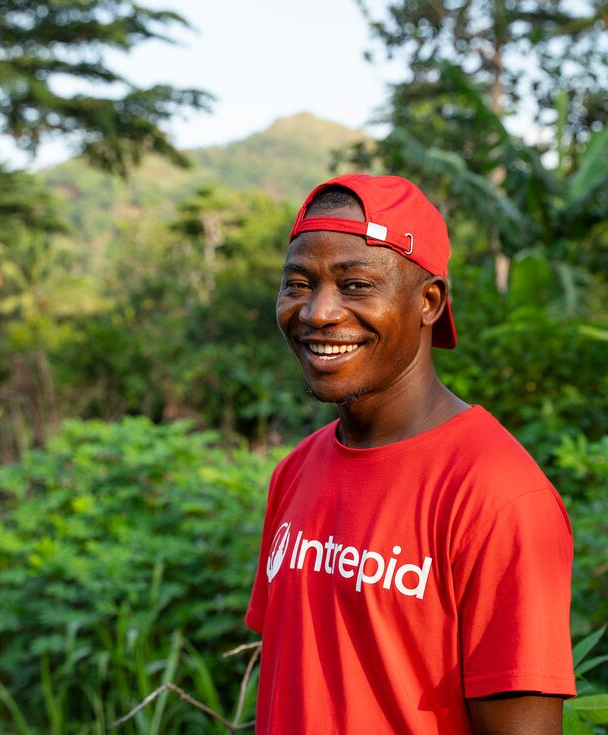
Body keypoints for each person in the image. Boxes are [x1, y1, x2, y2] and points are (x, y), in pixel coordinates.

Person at [246, 174, 575, 734]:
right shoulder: (294, 472)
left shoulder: (497, 495)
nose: (317, 313)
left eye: (355, 285)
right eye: (298, 283)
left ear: (428, 302)